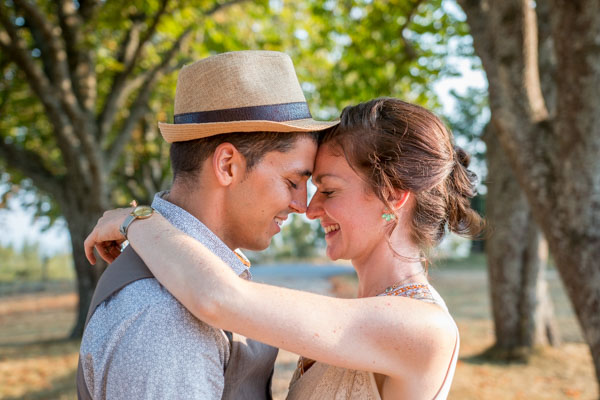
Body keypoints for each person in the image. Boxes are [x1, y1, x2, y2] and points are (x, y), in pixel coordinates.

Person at [85, 97, 484, 399]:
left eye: (327, 189)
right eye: (302, 184)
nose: (309, 208)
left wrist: (137, 220)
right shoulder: (360, 313)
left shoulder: (423, 329)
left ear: (394, 197)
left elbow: (220, 298)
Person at [76, 50, 337, 400]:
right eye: (292, 181)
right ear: (228, 165)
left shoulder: (191, 280)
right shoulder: (164, 321)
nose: (302, 206)